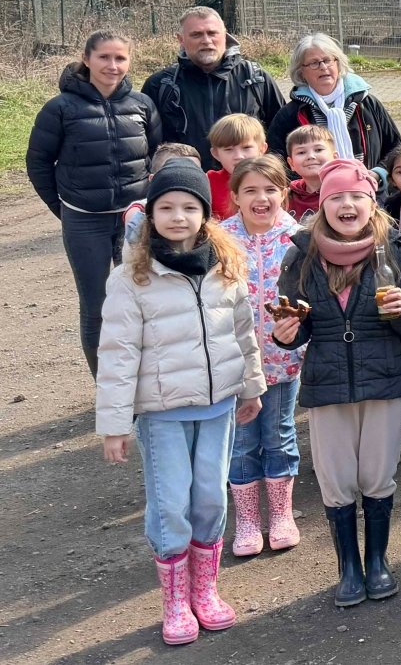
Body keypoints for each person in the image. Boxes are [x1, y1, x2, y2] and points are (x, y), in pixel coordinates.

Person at [96, 162, 265, 646]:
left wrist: (251, 386)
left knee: (210, 498)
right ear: (150, 215)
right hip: (163, 414)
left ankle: (204, 590)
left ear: (205, 214)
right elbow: (117, 353)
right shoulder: (131, 278)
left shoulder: (225, 267)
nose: (177, 216)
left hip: (217, 408)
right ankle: (174, 600)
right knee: (171, 505)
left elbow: (243, 333)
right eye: (166, 207)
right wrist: (114, 423)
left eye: (189, 207)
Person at [269, 159, 401, 608]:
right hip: (327, 382)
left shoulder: (394, 249)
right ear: (322, 205)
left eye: (356, 196)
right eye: (336, 197)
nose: (347, 205)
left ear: (372, 202)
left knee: (377, 475)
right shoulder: (301, 254)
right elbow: (297, 322)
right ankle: (349, 568)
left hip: (383, 379)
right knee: (336, 481)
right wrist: (287, 333)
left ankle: (377, 561)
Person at [28, 29, 161, 374]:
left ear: (129, 61)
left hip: (134, 219)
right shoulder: (60, 108)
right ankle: (107, 384)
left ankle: (143, 380)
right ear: (86, 59)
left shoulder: (142, 105)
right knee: (97, 306)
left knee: (143, 299)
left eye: (120, 58)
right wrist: (63, 208)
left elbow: (156, 156)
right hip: (84, 220)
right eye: (104, 57)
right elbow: (38, 163)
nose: (112, 65)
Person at [220, 156, 306, 559]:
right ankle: (248, 520)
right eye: (250, 190)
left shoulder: (298, 239)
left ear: (284, 193)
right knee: (241, 443)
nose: (261, 198)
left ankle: (282, 515)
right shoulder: (219, 240)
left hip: (282, 360)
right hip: (234, 366)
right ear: (235, 196)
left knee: (279, 435)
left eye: (270, 189)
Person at [143, 7, 287, 169]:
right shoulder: (160, 85)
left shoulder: (256, 79)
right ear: (181, 39)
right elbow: (147, 147)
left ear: (225, 35)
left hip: (246, 181)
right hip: (185, 182)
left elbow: (282, 136)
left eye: (212, 33)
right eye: (196, 35)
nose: (206, 40)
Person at [267, 33, 401, 174]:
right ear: (301, 72)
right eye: (314, 63)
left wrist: (377, 175)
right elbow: (275, 163)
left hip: (370, 186)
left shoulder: (367, 104)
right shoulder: (290, 114)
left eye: (327, 60)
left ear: (338, 64)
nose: (323, 67)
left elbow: (397, 150)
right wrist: (307, 183)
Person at [205, 114, 267, 220]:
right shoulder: (209, 181)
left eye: (246, 148)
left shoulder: (271, 180)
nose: (238, 156)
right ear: (216, 154)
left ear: (261, 149)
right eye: (229, 149)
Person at [284, 125, 337, 220]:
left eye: (318, 150)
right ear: (291, 163)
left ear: (335, 158)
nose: (311, 156)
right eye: (301, 152)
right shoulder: (286, 197)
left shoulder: (344, 192)